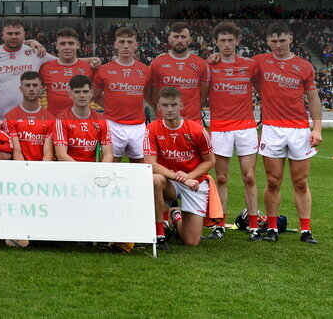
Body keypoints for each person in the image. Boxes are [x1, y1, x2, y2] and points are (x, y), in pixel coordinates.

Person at [255, 22, 321, 244]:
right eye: (273, 41)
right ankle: (272, 227)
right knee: (273, 181)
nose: (278, 44)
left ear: (290, 38)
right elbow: (234, 65)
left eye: (282, 40)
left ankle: (305, 230)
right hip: (272, 128)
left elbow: (313, 98)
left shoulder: (304, 65)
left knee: (301, 182)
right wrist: (215, 57)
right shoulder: (259, 62)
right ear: (267, 41)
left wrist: (317, 128)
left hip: (299, 130)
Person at [207, 21, 262, 239]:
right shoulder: (209, 65)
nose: (227, 44)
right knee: (221, 177)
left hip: (246, 128)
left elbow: (263, 90)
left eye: (231, 40)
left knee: (249, 177)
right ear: (216, 42)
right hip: (220, 128)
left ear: (238, 41)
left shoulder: (250, 65)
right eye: (223, 40)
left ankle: (254, 225)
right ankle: (219, 224)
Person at [145, 87, 216, 251]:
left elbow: (210, 161)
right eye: (165, 105)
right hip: (170, 181)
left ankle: (175, 215)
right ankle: (160, 234)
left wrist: (189, 176)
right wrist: (180, 178)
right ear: (159, 107)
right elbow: (151, 163)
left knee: (191, 241)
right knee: (156, 179)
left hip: (195, 181)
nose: (169, 109)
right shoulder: (152, 129)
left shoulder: (197, 130)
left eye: (173, 105)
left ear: (181, 105)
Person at [92, 27, 151, 163]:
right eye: (122, 41)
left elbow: (148, 96)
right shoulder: (104, 70)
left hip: (138, 125)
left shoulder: (145, 70)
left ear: (136, 45)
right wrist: (111, 106)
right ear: (115, 44)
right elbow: (94, 95)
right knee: (110, 167)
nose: (125, 45)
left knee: (141, 168)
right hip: (113, 124)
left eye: (130, 42)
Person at [0, 19, 51, 116]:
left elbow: (62, 62)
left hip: (26, 120)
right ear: (3, 35)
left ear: (24, 34)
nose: (13, 37)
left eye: (17, 33)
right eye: (9, 33)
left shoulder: (35, 52)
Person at [147, 21, 210, 121]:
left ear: (190, 40)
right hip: (165, 122)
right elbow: (153, 95)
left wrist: (192, 111)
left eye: (183, 37)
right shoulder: (157, 63)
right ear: (169, 39)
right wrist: (160, 110)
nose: (179, 40)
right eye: (176, 37)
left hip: (192, 122)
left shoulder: (201, 64)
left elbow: (203, 97)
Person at [54, 75, 113, 163]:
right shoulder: (62, 119)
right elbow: (61, 154)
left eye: (85, 92)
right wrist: (82, 170)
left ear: (91, 93)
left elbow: (108, 154)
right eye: (77, 92)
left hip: (93, 170)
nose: (82, 95)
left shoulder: (101, 120)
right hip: (69, 169)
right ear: (70, 94)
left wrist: (101, 170)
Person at [39, 28, 96, 115]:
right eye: (62, 44)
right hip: (55, 121)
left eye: (71, 43)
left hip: (79, 121)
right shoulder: (45, 68)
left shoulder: (89, 68)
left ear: (77, 45)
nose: (67, 47)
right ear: (56, 45)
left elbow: (98, 94)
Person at [4, 71, 55, 162]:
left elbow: (48, 153)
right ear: (21, 88)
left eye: (35, 85)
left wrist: (40, 174)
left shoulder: (50, 119)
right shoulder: (10, 117)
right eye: (27, 85)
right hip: (20, 170)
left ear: (41, 88)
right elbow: (17, 152)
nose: (31, 89)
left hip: (42, 170)